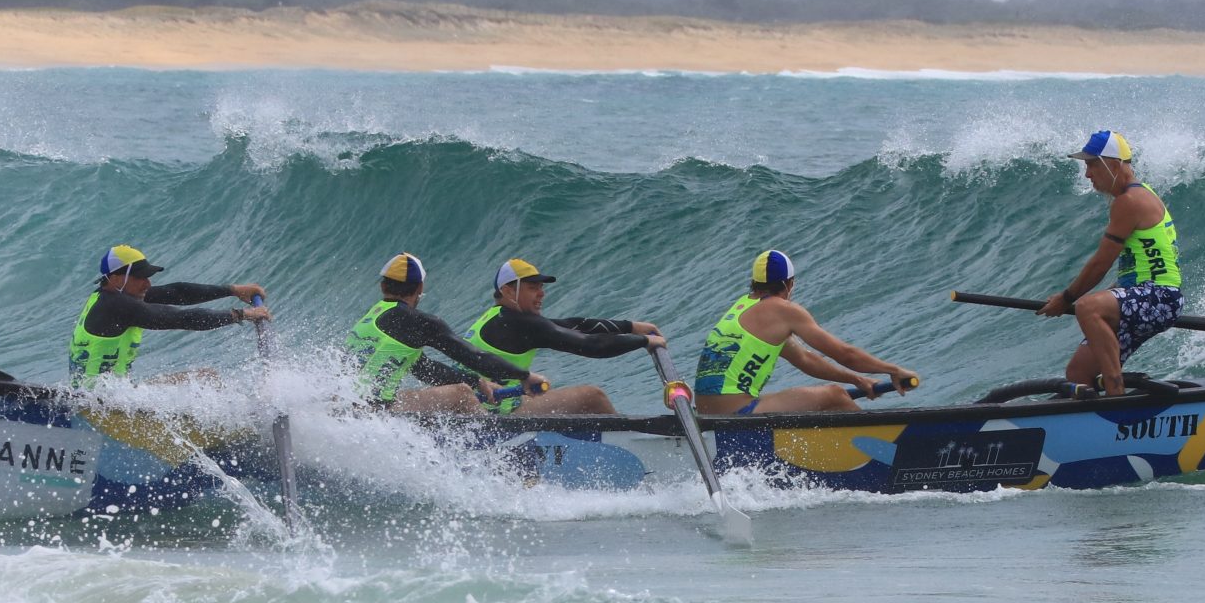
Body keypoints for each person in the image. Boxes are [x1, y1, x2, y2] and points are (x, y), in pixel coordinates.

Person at [1038, 130, 1184, 396]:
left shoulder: (1130, 201)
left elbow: (1100, 264)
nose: (1087, 174)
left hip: (1161, 297)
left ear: (1112, 164)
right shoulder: (1134, 196)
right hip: (1144, 296)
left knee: (1087, 306)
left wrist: (1066, 298)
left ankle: (1115, 391)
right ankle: (1100, 424)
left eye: (1092, 165)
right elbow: (1135, 267)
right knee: (1078, 373)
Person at [692, 249, 918, 415]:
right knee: (835, 396)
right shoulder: (783, 310)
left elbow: (805, 359)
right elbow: (845, 354)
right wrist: (893, 370)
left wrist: (857, 379)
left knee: (824, 400)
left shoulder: (741, 306)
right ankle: (879, 458)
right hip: (736, 413)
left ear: (755, 283)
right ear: (788, 284)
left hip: (706, 413)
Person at [465, 257, 665, 415]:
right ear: (508, 291)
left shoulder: (497, 317)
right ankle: (629, 448)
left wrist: (630, 327)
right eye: (533, 288)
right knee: (592, 397)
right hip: (493, 415)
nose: (541, 293)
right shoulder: (520, 323)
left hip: (489, 405)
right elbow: (592, 346)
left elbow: (572, 325)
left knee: (542, 396)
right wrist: (644, 341)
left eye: (541, 287)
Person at [345, 252, 536, 413]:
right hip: (374, 410)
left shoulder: (374, 315)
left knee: (461, 389)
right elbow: (473, 356)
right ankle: (497, 449)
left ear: (383, 286)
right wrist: (524, 376)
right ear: (420, 287)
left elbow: (425, 369)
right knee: (461, 394)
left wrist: (477, 382)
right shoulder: (417, 321)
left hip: (349, 405)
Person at [68, 244, 268, 382]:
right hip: (101, 406)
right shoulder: (117, 306)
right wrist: (242, 314)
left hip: (107, 398)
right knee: (207, 378)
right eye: (140, 277)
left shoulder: (106, 296)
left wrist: (232, 290)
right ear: (118, 278)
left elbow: (177, 292)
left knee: (207, 377)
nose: (148, 283)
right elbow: (182, 318)